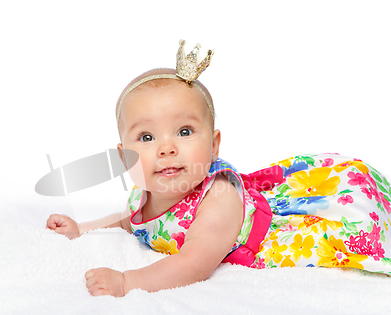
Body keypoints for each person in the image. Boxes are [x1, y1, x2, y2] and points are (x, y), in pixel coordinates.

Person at [46, 40, 391, 297]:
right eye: (147, 136)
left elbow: (193, 264)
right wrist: (83, 228)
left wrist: (127, 282)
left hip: (278, 229)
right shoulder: (147, 190)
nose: (166, 148)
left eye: (184, 132)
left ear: (213, 146)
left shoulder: (218, 199)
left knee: (354, 217)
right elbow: (130, 219)